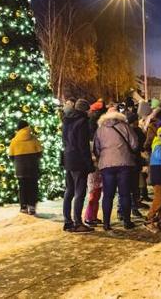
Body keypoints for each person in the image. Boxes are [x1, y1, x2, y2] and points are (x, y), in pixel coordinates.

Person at [93, 109, 139, 230]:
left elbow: (96, 148)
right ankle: (127, 221)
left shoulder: (100, 129)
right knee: (124, 194)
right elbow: (134, 144)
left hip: (106, 165)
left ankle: (106, 223)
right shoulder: (125, 126)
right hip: (124, 163)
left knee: (108, 195)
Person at [61, 99, 94, 232]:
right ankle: (77, 222)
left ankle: (68, 221)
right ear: (85, 110)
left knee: (69, 191)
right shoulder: (82, 122)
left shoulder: (66, 121)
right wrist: (89, 163)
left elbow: (64, 141)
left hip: (68, 158)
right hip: (79, 160)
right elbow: (83, 145)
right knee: (80, 192)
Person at [9, 120, 43, 215]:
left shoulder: (14, 140)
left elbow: (11, 156)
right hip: (33, 167)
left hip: (20, 168)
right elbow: (40, 152)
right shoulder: (33, 138)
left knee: (23, 187)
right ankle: (32, 207)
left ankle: (23, 206)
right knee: (33, 186)